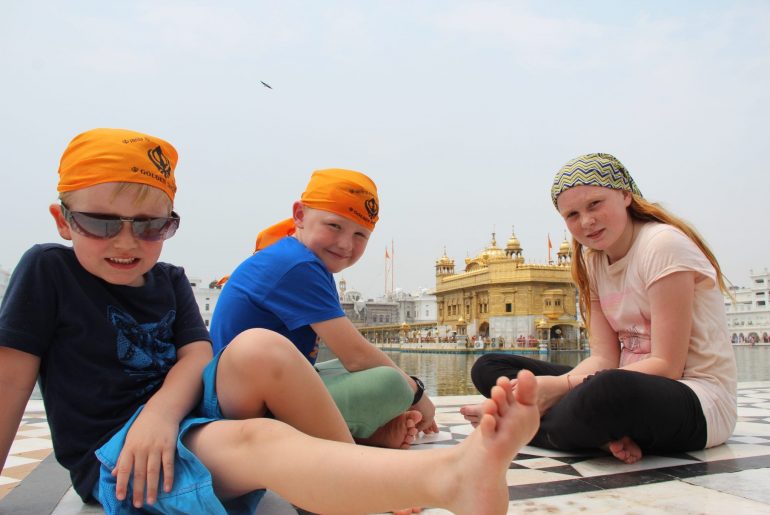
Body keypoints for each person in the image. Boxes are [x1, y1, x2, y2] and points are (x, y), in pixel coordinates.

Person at [0, 128, 541, 514]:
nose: (126, 242)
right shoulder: (49, 271)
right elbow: (9, 386)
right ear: (64, 221)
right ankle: (439, 481)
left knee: (261, 346)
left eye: (150, 226)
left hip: (185, 417)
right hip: (125, 456)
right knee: (261, 441)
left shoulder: (168, 280)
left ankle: (353, 478)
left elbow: (197, 354)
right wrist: (157, 423)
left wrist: (163, 411)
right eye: (101, 222)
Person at [462, 152, 737, 464]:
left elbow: (666, 366)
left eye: (595, 204)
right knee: (489, 368)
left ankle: (516, 422)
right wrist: (559, 389)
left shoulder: (662, 245)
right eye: (573, 215)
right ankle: (590, 431)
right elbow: (604, 358)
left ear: (625, 195)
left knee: (605, 390)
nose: (587, 221)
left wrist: (561, 387)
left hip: (697, 401)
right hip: (626, 385)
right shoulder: (592, 262)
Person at [210, 169, 438, 449]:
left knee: (362, 373)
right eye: (334, 226)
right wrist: (416, 393)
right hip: (243, 410)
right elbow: (356, 355)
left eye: (360, 235)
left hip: (243, 393)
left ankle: (362, 435)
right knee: (391, 384)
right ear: (299, 216)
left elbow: (351, 360)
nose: (345, 244)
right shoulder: (298, 265)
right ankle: (352, 437)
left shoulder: (297, 257)